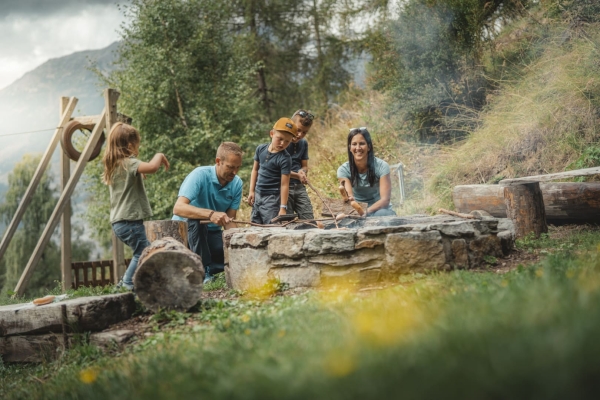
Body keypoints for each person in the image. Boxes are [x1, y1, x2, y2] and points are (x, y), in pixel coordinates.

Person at [103, 122, 170, 290]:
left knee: (143, 250)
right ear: (130, 145)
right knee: (143, 251)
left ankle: (125, 283)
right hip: (129, 222)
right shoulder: (129, 163)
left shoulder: (115, 165)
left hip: (120, 223)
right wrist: (160, 155)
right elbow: (153, 167)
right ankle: (127, 284)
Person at [172, 142, 243, 283]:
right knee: (196, 222)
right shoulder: (199, 175)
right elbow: (178, 208)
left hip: (211, 234)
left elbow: (229, 221)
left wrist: (238, 243)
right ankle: (202, 270)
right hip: (184, 232)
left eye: (237, 168)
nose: (234, 172)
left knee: (232, 250)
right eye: (230, 167)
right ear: (218, 161)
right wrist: (210, 214)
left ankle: (205, 265)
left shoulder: (237, 183)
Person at [337, 127, 396, 217]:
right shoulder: (343, 170)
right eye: (354, 144)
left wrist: (366, 211)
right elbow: (349, 198)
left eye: (362, 144)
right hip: (358, 211)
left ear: (369, 147)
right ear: (349, 148)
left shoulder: (382, 166)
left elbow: (385, 200)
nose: (358, 148)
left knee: (383, 215)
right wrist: (351, 201)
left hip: (380, 210)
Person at [248, 117, 297, 224]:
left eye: (287, 141)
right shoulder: (260, 149)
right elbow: (255, 170)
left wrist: (283, 207)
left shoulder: (285, 158)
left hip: (272, 199)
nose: (282, 143)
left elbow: (285, 184)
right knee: (255, 224)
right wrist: (251, 191)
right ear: (271, 134)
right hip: (258, 195)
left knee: (271, 227)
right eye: (280, 139)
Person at [286, 109, 315, 219]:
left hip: (299, 187)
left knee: (308, 218)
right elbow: (278, 170)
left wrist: (302, 172)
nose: (300, 135)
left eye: (304, 132)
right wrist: (296, 175)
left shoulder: (303, 143)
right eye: (298, 130)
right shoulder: (282, 141)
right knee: (287, 220)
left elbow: (304, 165)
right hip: (283, 187)